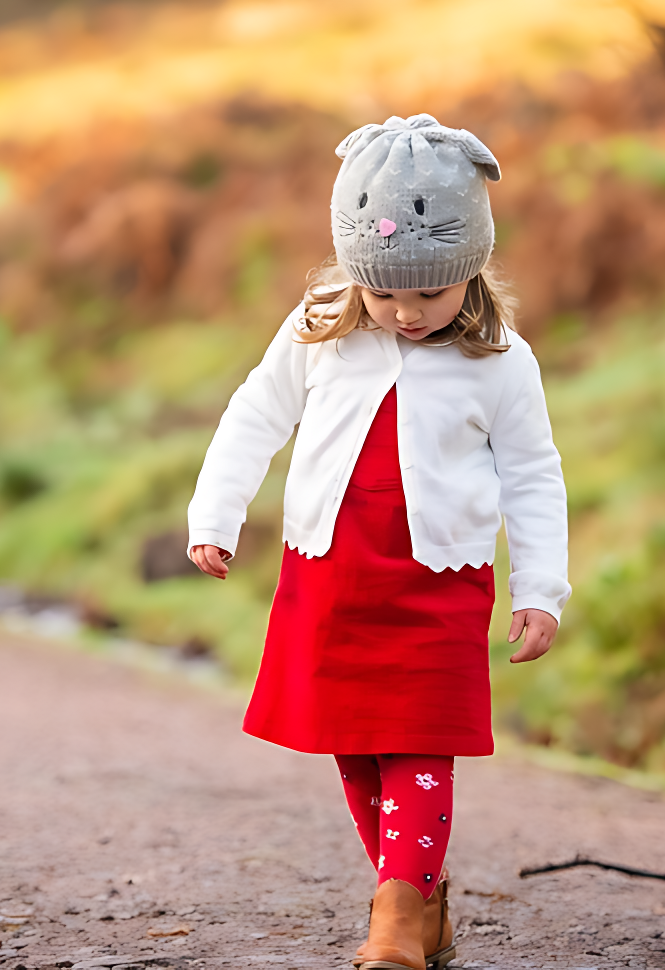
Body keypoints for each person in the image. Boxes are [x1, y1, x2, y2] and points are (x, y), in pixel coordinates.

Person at [185, 114, 570, 970]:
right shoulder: (321, 325)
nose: (404, 312)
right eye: (384, 293)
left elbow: (533, 474)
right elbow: (255, 416)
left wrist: (541, 587)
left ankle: (396, 912)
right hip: (332, 572)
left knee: (421, 736)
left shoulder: (501, 360)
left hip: (440, 580)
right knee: (355, 739)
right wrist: (216, 515)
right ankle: (420, 900)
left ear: (470, 269)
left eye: (429, 295)